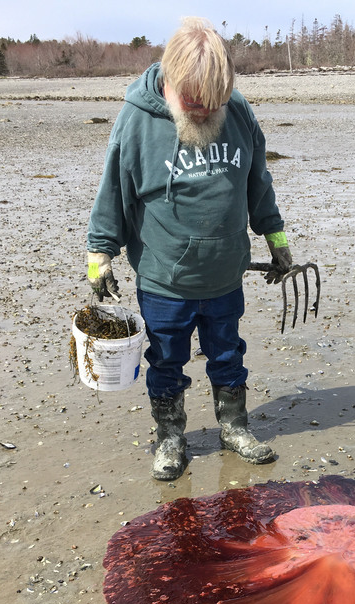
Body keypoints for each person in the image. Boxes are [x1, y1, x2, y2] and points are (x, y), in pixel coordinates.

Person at [86, 18, 292, 481]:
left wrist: (275, 238)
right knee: (165, 360)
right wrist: (99, 254)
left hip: (224, 275)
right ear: (171, 79)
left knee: (227, 354)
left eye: (213, 102)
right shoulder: (137, 120)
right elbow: (113, 193)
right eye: (193, 101)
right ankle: (170, 436)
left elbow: (258, 182)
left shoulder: (237, 111)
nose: (203, 111)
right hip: (164, 280)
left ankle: (234, 426)